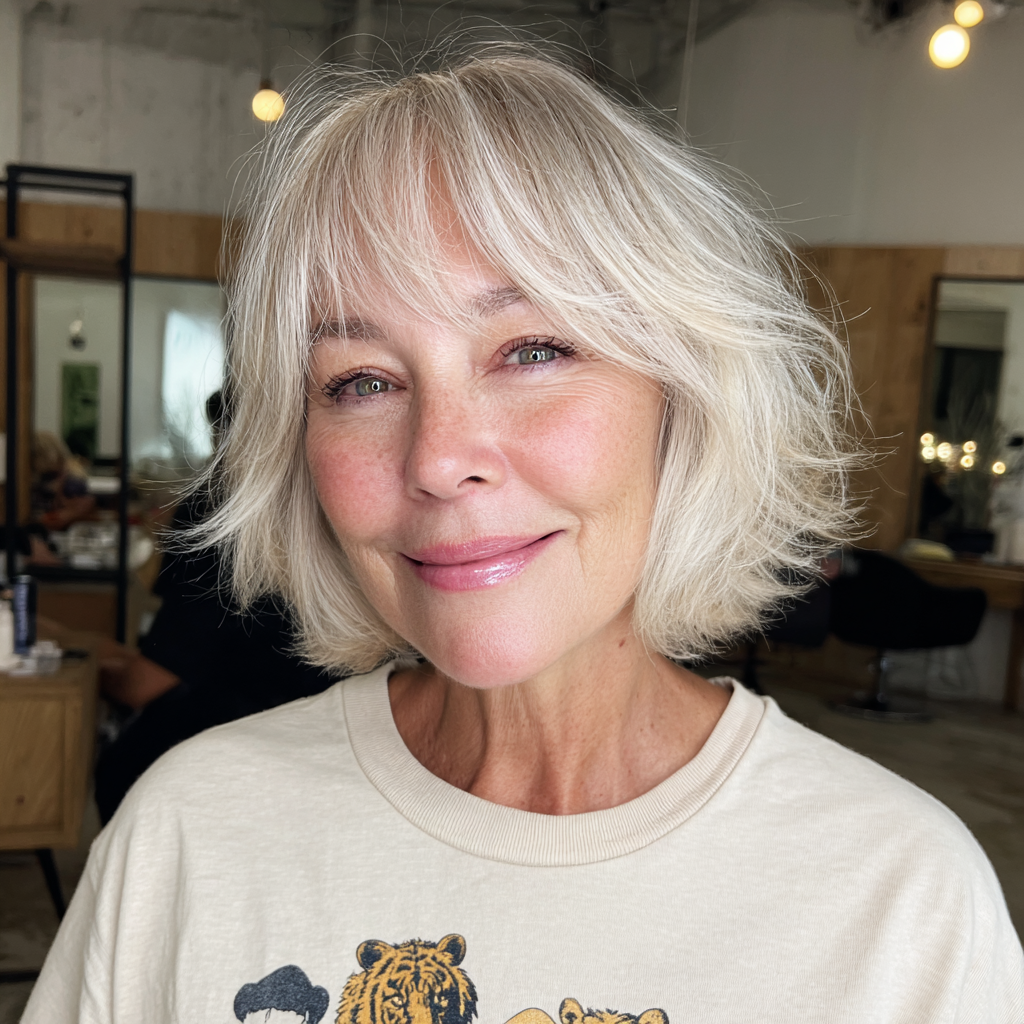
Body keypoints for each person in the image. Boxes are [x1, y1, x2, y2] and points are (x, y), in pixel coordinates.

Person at [23, 50, 1023, 1024]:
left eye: (533, 349)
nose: (437, 457)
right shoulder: (188, 833)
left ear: (683, 397)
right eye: (362, 380)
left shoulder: (900, 899)